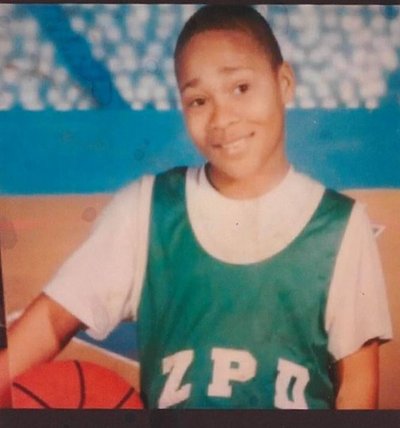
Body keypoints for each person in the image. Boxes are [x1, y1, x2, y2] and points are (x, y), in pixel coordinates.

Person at [0, 5, 392, 409]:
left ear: (284, 82)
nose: (222, 118)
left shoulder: (340, 224)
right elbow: (50, 321)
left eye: (240, 88)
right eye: (199, 100)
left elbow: (357, 386)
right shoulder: (148, 209)